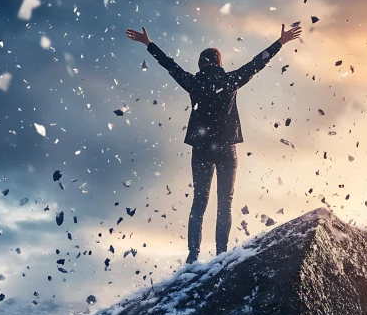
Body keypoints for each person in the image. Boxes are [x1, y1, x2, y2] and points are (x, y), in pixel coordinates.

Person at [126, 24, 302, 263]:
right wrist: (280, 42)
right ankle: (221, 253)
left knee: (199, 202)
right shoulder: (230, 80)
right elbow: (257, 63)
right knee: (224, 203)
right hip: (227, 148)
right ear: (219, 63)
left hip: (200, 149)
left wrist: (149, 44)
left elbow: (170, 65)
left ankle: (193, 255)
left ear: (200, 65)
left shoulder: (193, 83)